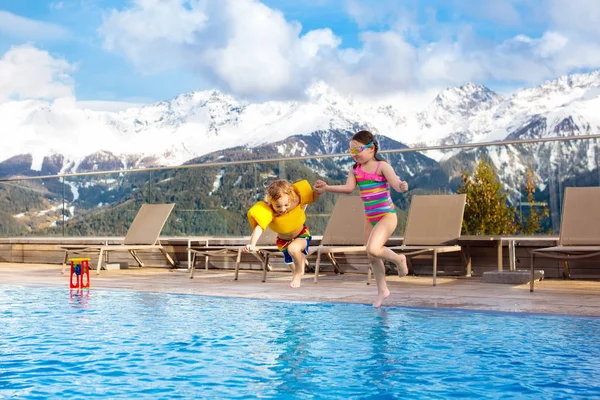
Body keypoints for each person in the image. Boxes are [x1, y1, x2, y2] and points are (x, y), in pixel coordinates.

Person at [313, 130, 409, 307]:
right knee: (372, 255)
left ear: (371, 149)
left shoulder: (382, 166)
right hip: (370, 217)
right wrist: (327, 188)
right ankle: (382, 291)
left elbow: (395, 183)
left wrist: (402, 186)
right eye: (351, 151)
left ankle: (399, 259)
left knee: (374, 248)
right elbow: (348, 188)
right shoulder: (355, 170)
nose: (354, 155)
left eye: (357, 150)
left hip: (387, 216)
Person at [245, 180, 320, 288]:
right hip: (283, 242)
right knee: (291, 261)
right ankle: (304, 255)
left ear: (290, 197)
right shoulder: (269, 211)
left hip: (301, 235)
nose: (283, 209)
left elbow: (312, 198)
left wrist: (318, 192)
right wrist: (252, 244)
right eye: (278, 206)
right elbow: (259, 228)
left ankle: (299, 273)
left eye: (286, 205)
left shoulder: (296, 200)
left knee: (293, 249)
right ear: (270, 200)